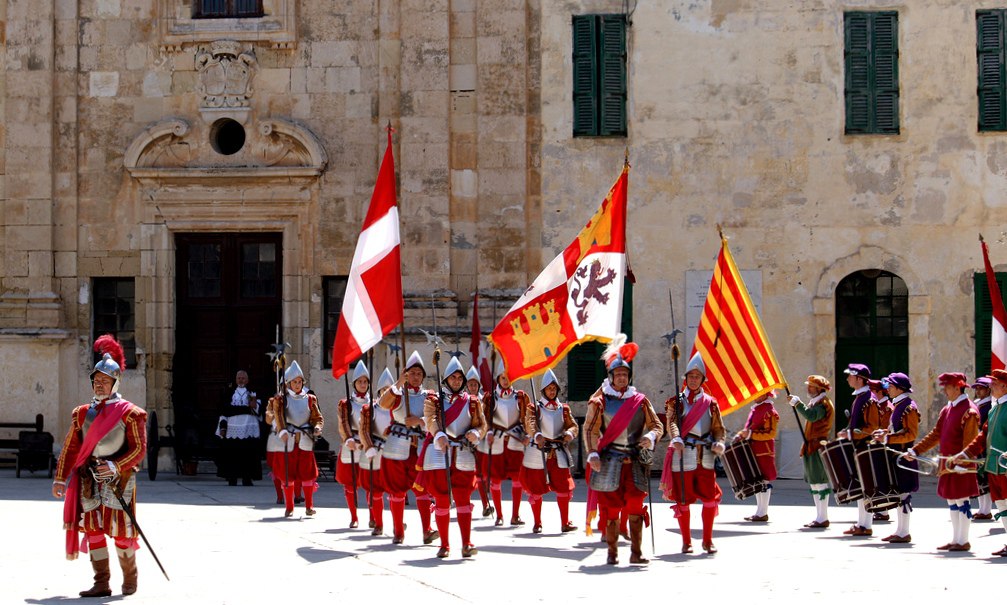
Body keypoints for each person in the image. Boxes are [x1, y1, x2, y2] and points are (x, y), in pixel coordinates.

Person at [52, 335, 148, 597]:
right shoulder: (82, 413)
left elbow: (139, 449)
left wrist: (116, 466)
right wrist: (60, 478)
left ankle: (130, 580)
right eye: (96, 381)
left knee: (120, 532)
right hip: (88, 478)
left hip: (120, 478)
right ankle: (101, 582)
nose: (99, 385)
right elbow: (72, 446)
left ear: (115, 382)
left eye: (105, 381)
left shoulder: (131, 413)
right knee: (93, 529)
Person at [586, 336, 663, 565]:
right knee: (611, 509)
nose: (621, 378)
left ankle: (636, 552)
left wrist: (650, 436)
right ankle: (612, 553)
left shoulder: (640, 400)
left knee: (636, 507)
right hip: (610, 460)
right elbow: (590, 429)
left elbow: (657, 425)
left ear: (629, 377)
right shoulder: (599, 401)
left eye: (625, 375)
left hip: (635, 461)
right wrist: (592, 453)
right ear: (611, 376)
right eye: (617, 374)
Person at [422, 356, 488, 558]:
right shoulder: (434, 400)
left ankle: (466, 543)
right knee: (442, 500)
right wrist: (439, 434)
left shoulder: (473, 402)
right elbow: (430, 419)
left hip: (463, 452)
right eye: (453, 378)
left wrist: (476, 433)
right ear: (446, 380)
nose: (457, 381)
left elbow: (482, 425)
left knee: (463, 499)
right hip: (440, 453)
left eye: (460, 378)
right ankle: (444, 544)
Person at [906, 372, 980, 551]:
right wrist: (915, 450)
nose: (945, 390)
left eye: (947, 386)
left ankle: (963, 540)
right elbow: (935, 435)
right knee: (952, 501)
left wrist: (964, 463)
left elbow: (970, 441)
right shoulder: (947, 409)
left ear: (957, 387)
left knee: (962, 500)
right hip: (947, 464)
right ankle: (956, 539)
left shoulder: (969, 410)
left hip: (961, 465)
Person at [662, 352, 725, 555]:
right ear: (686, 379)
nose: (694, 379)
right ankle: (687, 542)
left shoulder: (711, 403)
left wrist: (720, 442)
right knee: (683, 499)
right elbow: (671, 421)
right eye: (690, 376)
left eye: (697, 377)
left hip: (705, 454)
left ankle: (707, 540)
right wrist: (676, 437)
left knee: (709, 497)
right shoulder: (676, 401)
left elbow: (718, 428)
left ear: (702, 380)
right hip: (683, 452)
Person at [378, 351, 438, 545]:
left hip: (420, 447)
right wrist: (398, 384)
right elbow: (383, 404)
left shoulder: (429, 396)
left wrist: (420, 420)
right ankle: (397, 531)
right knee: (397, 490)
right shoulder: (397, 394)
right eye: (412, 373)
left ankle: (427, 530)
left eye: (419, 374)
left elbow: (438, 418)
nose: (415, 376)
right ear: (405, 374)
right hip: (398, 445)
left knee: (422, 489)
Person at [957, 368, 1007, 556]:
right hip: (993, 466)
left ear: (1004, 386)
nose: (991, 386)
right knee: (1002, 505)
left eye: (994, 383)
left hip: (1005, 467)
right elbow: (982, 437)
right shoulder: (994, 409)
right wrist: (966, 453)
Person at [521, 369, 578, 534]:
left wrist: (569, 433)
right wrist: (537, 434)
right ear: (543, 390)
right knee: (535, 488)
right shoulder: (534, 408)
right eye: (549, 388)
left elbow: (573, 425)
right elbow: (530, 423)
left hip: (558, 450)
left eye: (554, 388)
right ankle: (537, 522)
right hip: (539, 451)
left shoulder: (564, 409)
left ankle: (565, 522)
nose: (552, 391)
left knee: (564, 488)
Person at [266, 360, 323, 518]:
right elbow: (277, 417)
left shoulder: (310, 398)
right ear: (288, 383)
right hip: (288, 439)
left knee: (308, 473)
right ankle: (289, 506)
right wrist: (282, 430)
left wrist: (317, 427)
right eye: (294, 382)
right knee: (287, 474)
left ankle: (309, 506)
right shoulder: (281, 400)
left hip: (305, 438)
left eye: (299, 382)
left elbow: (317, 417)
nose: (297, 385)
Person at [477, 360, 530, 527]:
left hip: (515, 440)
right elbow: (484, 418)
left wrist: (528, 433)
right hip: (497, 441)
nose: (505, 381)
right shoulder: (490, 397)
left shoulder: (521, 397)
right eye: (502, 378)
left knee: (517, 479)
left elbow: (527, 418)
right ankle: (499, 515)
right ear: (498, 379)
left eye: (508, 378)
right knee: (495, 479)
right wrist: (489, 432)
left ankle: (515, 515)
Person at [870, 372, 920, 543]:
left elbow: (910, 434)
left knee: (904, 493)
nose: (888, 389)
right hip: (895, 454)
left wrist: (888, 438)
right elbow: (895, 430)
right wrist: (884, 433)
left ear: (900, 389)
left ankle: (904, 531)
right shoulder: (899, 405)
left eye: (891, 386)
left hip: (904, 455)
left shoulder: (909, 407)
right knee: (899, 493)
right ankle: (899, 530)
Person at [837, 363, 881, 537]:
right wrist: (846, 431)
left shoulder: (869, 399)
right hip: (859, 447)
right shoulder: (859, 397)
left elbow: (872, 427)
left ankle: (866, 524)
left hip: (866, 448)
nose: (847, 379)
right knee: (862, 488)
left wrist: (852, 435)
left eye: (850, 376)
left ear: (860, 379)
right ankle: (861, 523)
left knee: (866, 487)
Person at [789, 375, 835, 528]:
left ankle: (823, 517)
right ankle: (819, 516)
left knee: (820, 481)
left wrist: (798, 404)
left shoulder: (822, 404)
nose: (808, 388)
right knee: (814, 482)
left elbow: (812, 416)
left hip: (817, 446)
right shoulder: (817, 402)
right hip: (811, 445)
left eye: (812, 386)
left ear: (820, 389)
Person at [359, 367, 395, 537]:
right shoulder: (370, 408)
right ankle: (378, 523)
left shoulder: (399, 408)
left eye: (390, 390)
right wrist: (368, 446)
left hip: (395, 451)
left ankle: (397, 524)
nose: (387, 393)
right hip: (376, 450)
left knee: (396, 490)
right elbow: (364, 429)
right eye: (384, 390)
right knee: (376, 490)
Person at [735, 390, 778, 522]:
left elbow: (771, 433)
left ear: (765, 395)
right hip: (754, 449)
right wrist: (742, 435)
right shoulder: (757, 409)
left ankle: (762, 512)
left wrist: (749, 435)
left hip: (764, 450)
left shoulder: (769, 411)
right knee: (757, 480)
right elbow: (750, 428)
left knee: (764, 480)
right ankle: (759, 511)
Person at [335, 360, 370, 529]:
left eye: (365, 382)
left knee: (371, 482)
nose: (363, 385)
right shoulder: (345, 403)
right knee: (350, 483)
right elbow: (343, 422)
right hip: (351, 444)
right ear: (354, 383)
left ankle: (373, 516)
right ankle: (354, 516)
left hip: (368, 444)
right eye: (360, 381)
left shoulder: (374, 403)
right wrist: (348, 438)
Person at [215, 370, 262, 486]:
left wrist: (254, 405)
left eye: (243, 378)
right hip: (233, 427)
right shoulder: (229, 393)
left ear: (247, 380)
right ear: (236, 380)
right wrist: (222, 427)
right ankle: (232, 477)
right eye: (239, 378)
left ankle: (247, 478)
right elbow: (224, 411)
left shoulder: (252, 392)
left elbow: (258, 409)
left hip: (248, 427)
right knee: (232, 454)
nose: (241, 380)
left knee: (248, 454)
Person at [466, 366, 494, 518]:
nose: (472, 387)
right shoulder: (462, 400)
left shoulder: (485, 402)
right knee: (464, 474)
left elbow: (488, 420)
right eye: (470, 384)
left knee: (481, 475)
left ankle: (485, 504)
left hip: (480, 441)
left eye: (475, 384)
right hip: (465, 440)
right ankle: (464, 502)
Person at [868, 378, 893, 523]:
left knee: (881, 477)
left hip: (882, 446)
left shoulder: (887, 408)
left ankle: (883, 510)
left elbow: (884, 429)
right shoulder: (876, 405)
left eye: (872, 390)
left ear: (878, 391)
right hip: (875, 445)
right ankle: (879, 508)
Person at [971, 376, 995, 521]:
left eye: (981, 388)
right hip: (977, 445)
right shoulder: (978, 405)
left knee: (985, 478)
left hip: (984, 446)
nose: (978, 391)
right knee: (979, 478)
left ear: (988, 390)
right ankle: (983, 509)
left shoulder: (989, 406)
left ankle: (986, 509)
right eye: (977, 388)